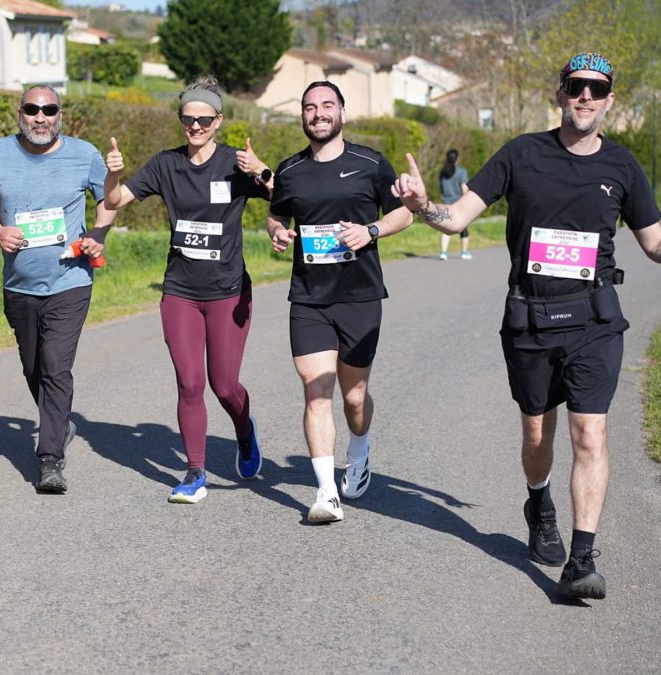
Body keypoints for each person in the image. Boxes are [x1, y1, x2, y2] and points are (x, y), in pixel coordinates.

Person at [393, 52, 661, 600]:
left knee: (590, 431)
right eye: (576, 87)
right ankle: (539, 502)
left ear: (610, 100)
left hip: (594, 319)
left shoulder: (622, 166)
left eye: (596, 88)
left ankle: (582, 558)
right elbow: (459, 215)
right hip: (530, 319)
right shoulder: (522, 152)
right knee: (537, 431)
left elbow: (654, 242)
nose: (585, 96)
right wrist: (425, 207)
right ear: (561, 94)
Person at [103, 75, 271, 503]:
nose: (195, 127)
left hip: (228, 291)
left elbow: (289, 198)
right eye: (188, 119)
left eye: (204, 119)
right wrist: (112, 176)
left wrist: (264, 173)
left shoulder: (237, 163)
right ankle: (195, 472)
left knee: (225, 386)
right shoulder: (165, 164)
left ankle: (244, 430)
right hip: (179, 290)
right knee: (190, 383)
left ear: (219, 120)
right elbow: (114, 202)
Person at [266, 81, 414, 523]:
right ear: (303, 117)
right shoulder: (289, 170)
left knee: (354, 396)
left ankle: (360, 448)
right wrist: (276, 231)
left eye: (327, 105)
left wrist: (370, 231)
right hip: (309, 298)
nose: (318, 114)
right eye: (310, 107)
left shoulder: (370, 163)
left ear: (342, 114)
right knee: (316, 392)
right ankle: (326, 493)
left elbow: (403, 213)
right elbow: (276, 213)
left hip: (360, 296)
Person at [0, 84, 114, 494]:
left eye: (49, 109)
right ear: (20, 113)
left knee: (55, 364)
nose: (40, 117)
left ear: (60, 114)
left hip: (71, 278)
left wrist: (98, 234)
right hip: (19, 284)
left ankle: (50, 458)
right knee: (33, 366)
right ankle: (60, 421)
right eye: (32, 109)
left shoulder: (84, 154)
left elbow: (110, 198)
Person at [437, 149, 471, 260]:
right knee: (463, 228)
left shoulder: (442, 172)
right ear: (457, 158)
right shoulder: (462, 171)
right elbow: (464, 188)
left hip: (446, 204)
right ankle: (464, 252)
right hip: (458, 204)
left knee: (446, 228)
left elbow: (441, 187)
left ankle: (443, 252)